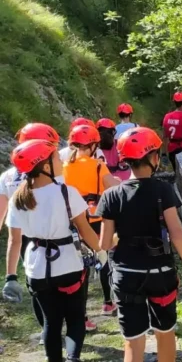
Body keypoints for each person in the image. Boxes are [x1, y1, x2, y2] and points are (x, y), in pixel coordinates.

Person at [96, 127, 182, 362]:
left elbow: (105, 243)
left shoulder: (112, 195)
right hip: (160, 272)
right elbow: (177, 233)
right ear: (154, 157)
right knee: (165, 333)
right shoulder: (163, 189)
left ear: (125, 160)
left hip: (126, 273)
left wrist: (121, 237)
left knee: (133, 340)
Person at [6, 138, 107, 362]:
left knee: (51, 322)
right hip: (68, 265)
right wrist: (101, 252)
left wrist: (11, 276)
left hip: (36, 268)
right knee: (75, 318)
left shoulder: (18, 198)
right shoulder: (66, 192)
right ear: (45, 166)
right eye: (56, 158)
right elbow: (85, 229)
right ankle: (73, 358)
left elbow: (14, 241)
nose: (61, 161)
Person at [2, 123, 61, 342]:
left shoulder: (7, 177)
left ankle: (48, 331)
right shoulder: (55, 171)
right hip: (58, 237)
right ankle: (69, 325)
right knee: (65, 285)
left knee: (36, 286)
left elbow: (2, 216)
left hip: (25, 240)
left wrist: (10, 274)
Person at [63, 125, 120, 329]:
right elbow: (114, 186)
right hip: (95, 220)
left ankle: (82, 316)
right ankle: (107, 302)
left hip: (73, 223)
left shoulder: (64, 167)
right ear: (94, 145)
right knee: (103, 260)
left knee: (80, 269)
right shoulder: (98, 165)